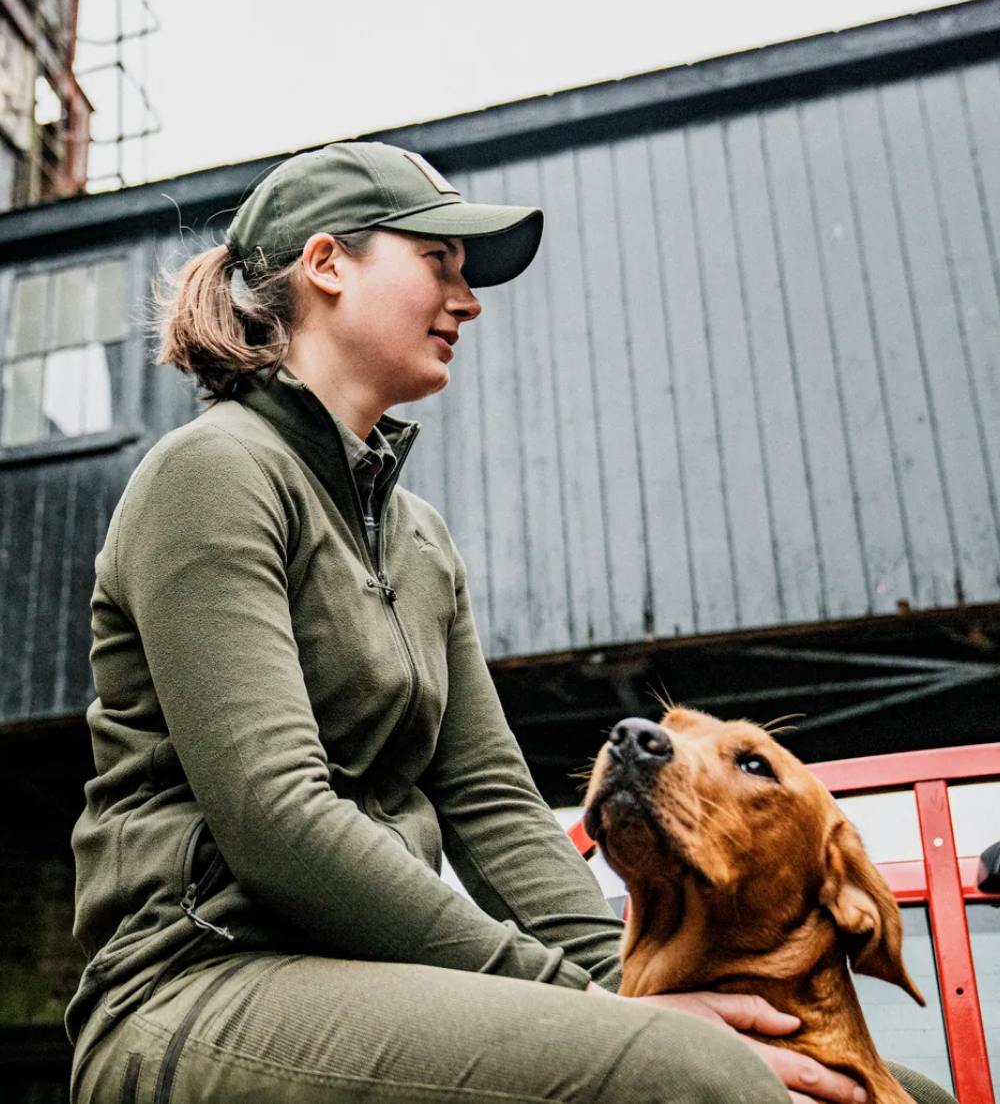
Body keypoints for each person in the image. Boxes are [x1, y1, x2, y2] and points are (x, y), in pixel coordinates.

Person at [66, 140, 955, 1104]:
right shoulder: (213, 474)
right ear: (327, 264)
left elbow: (493, 804)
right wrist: (595, 1010)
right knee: (686, 1070)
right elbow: (277, 818)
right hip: (198, 982)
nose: (469, 300)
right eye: (437, 263)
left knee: (885, 1090)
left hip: (374, 982)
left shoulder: (419, 540)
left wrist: (620, 989)